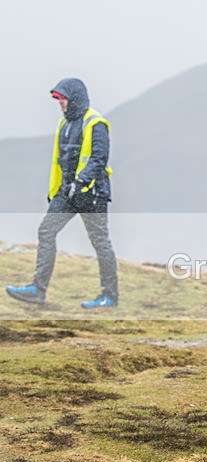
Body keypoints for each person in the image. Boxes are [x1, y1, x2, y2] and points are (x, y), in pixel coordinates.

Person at [6, 78, 118, 308]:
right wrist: (55, 191)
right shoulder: (63, 124)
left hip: (92, 194)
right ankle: (37, 290)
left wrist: (82, 181)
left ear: (75, 98)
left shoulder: (96, 123)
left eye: (63, 98)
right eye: (58, 99)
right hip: (67, 193)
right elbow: (59, 162)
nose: (60, 103)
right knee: (46, 231)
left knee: (100, 242)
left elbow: (98, 160)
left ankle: (110, 297)